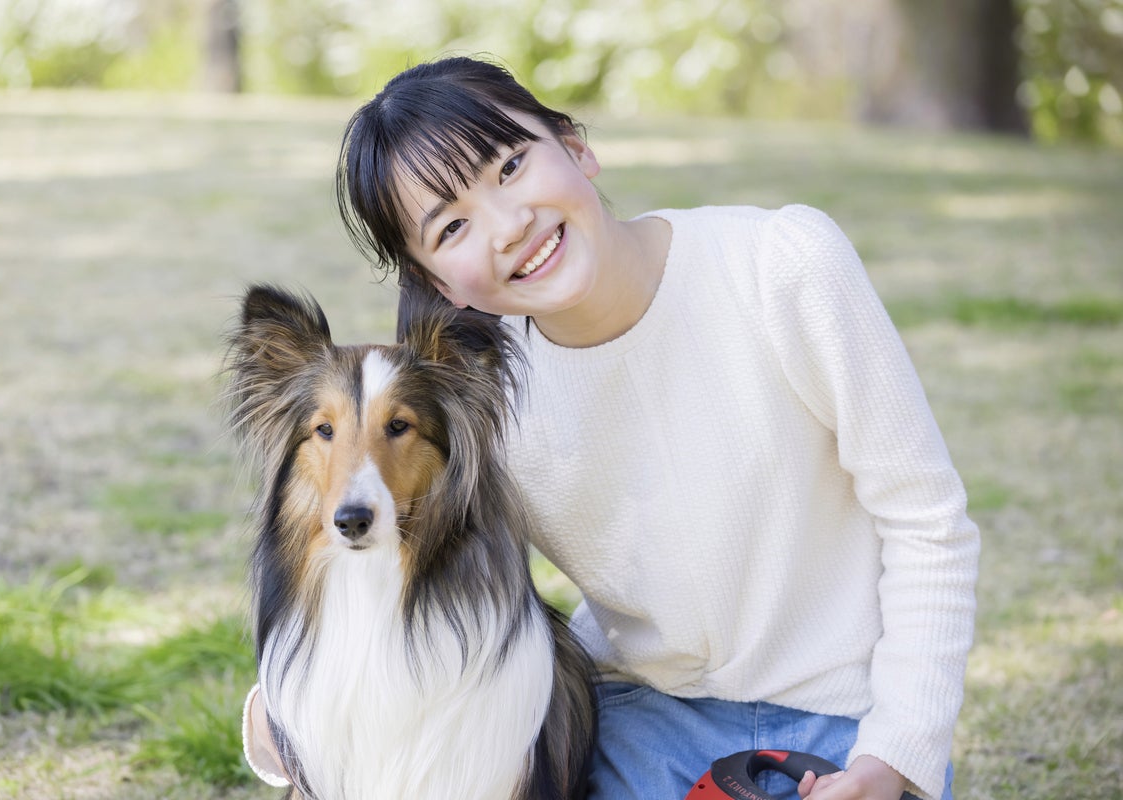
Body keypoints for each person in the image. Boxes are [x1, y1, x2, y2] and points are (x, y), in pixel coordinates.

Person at [243, 55, 980, 800]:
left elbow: (927, 523)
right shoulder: (484, 402)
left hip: (851, 719)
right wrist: (299, 699)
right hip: (643, 721)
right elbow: (414, 562)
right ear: (437, 281)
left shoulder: (783, 266)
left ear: (575, 145)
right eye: (454, 225)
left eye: (510, 167)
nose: (508, 227)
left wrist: (895, 755)